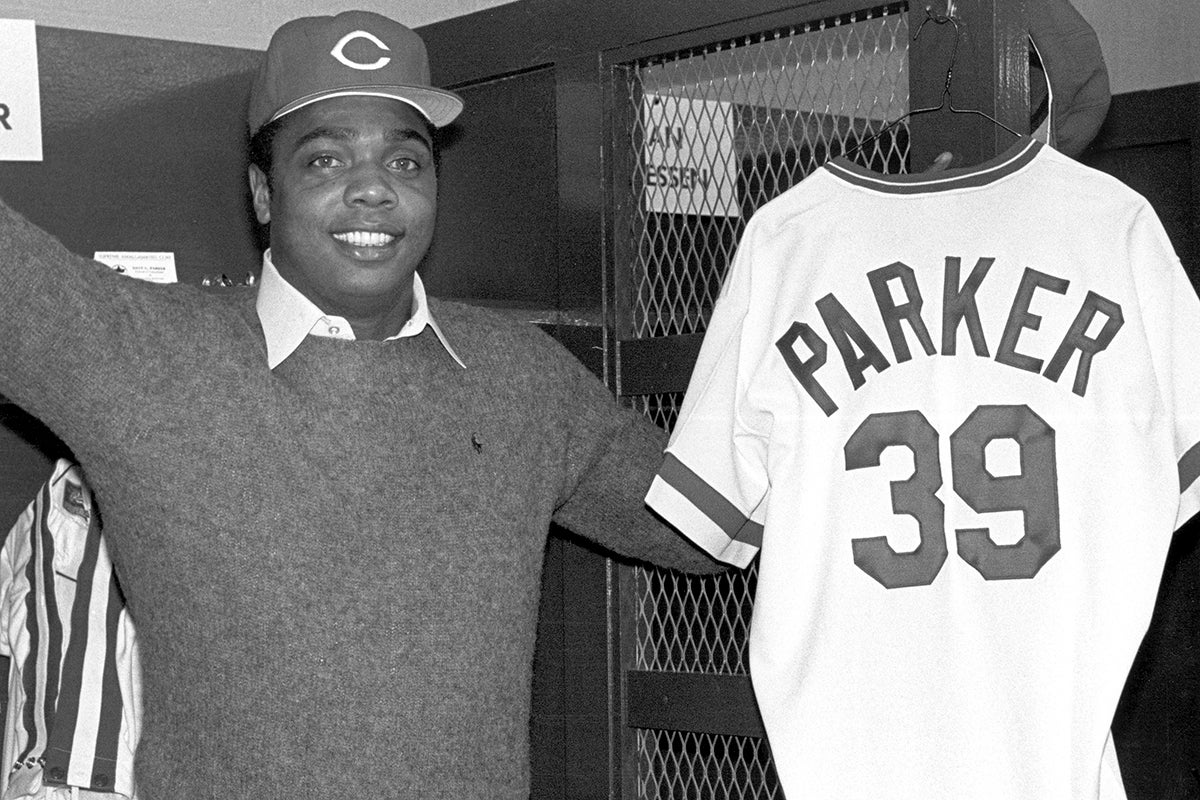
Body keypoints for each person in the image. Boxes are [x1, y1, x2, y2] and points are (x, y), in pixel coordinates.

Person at [0, 10, 718, 799]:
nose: (374, 188)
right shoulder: (147, 358)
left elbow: (711, 518)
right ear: (262, 194)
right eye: (326, 159)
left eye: (407, 163)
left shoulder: (521, 379)